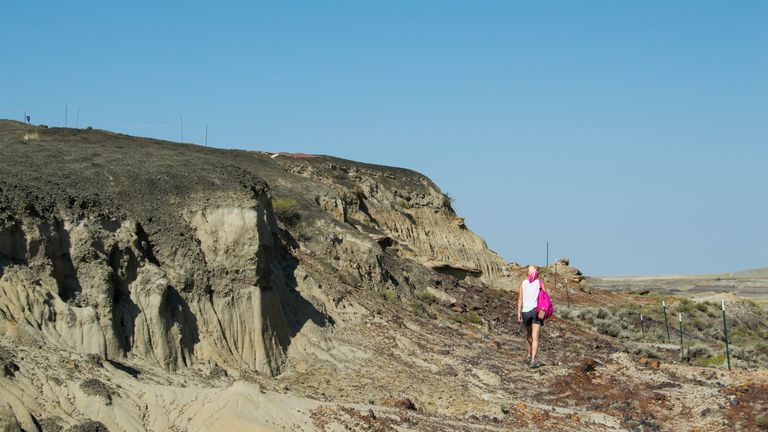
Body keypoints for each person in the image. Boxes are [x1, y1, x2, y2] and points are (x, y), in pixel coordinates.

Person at [517, 265, 545, 368]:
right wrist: (543, 314)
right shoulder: (540, 283)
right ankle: (533, 360)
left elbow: (520, 299)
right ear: (537, 273)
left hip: (525, 312)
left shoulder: (523, 283)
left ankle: (529, 355)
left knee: (529, 334)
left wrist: (519, 313)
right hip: (536, 312)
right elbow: (544, 299)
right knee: (535, 336)